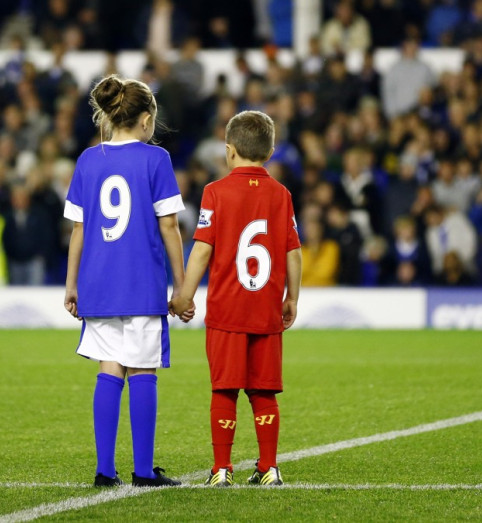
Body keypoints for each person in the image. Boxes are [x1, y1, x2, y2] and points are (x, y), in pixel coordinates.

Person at [63, 75, 187, 488]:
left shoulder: (87, 159)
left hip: (97, 283)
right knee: (143, 369)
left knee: (109, 367)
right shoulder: (157, 160)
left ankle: (104, 469)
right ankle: (144, 470)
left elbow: (78, 230)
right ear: (146, 120)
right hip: (141, 283)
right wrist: (182, 285)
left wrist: (71, 284)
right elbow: (169, 226)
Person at [171, 110, 302, 487]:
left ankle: (222, 469)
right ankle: (269, 467)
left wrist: (183, 296)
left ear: (229, 151)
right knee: (264, 390)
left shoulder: (215, 192)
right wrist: (292, 297)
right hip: (265, 310)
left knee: (224, 388)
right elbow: (294, 252)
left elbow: (201, 250)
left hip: (227, 310)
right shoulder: (282, 195)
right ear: (271, 151)